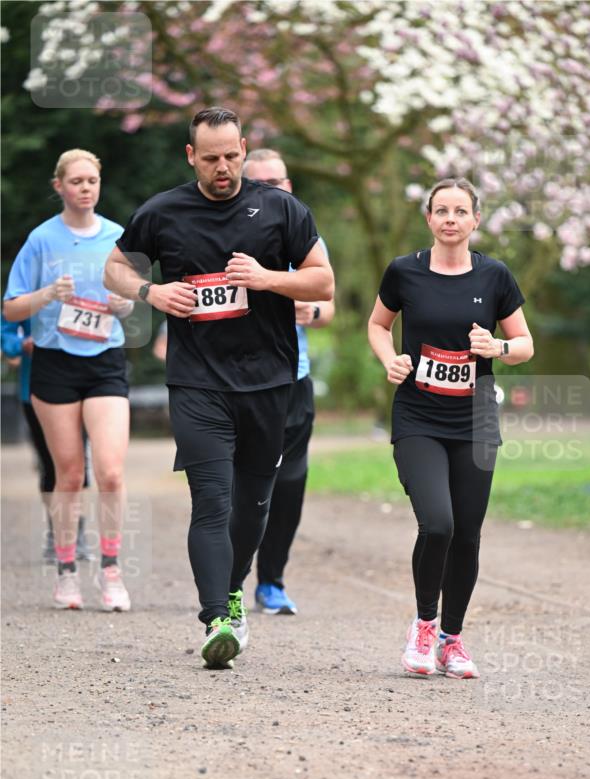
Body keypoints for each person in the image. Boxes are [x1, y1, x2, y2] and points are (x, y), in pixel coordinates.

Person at [104, 107, 334, 668]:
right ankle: (216, 619)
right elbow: (114, 267)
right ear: (192, 157)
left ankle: (234, 589)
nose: (224, 167)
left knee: (253, 506)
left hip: (268, 382)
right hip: (198, 381)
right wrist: (152, 294)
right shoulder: (162, 212)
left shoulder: (280, 208)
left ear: (243, 147)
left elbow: (322, 279)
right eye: (211, 159)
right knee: (212, 500)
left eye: (232, 155)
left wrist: (266, 278)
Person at [368, 178, 534, 679]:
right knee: (437, 523)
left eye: (460, 211)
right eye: (441, 210)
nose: (450, 219)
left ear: (475, 220)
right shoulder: (404, 272)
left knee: (467, 534)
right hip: (419, 414)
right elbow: (378, 325)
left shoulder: (494, 276)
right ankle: (423, 626)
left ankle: (452, 640)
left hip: (476, 417)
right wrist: (390, 360)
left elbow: (525, 343)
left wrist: (497, 350)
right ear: (429, 219)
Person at [3, 149, 134, 611]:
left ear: (100, 184)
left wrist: (124, 305)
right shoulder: (41, 240)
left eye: (92, 180)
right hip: (56, 364)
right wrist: (46, 294)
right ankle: (66, 571)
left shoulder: (119, 235)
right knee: (70, 474)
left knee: (112, 473)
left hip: (105, 361)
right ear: (59, 186)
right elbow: (11, 308)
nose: (85, 188)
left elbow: (134, 297)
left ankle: (113, 570)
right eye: (76, 181)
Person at [242, 149, 335, 615]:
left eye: (275, 182)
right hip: (240, 384)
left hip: (293, 379)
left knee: (290, 482)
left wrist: (310, 310)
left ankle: (271, 580)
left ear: (290, 185)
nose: (268, 191)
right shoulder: (227, 232)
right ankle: (229, 579)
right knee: (243, 485)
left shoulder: (303, 231)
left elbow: (328, 301)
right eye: (257, 183)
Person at [1, 316, 94, 563]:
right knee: (50, 465)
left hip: (82, 386)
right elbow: (6, 334)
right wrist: (22, 344)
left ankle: (78, 531)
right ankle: (56, 532)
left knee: (78, 464)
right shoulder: (28, 287)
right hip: (36, 389)